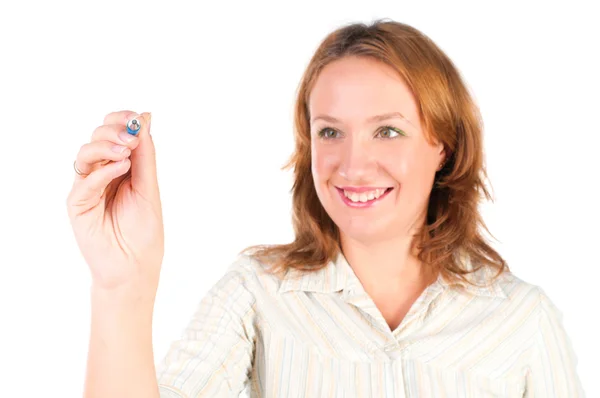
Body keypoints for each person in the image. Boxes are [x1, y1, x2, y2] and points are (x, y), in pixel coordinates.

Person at [66, 19, 585, 397]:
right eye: (331, 132)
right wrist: (121, 286)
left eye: (388, 131)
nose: (354, 165)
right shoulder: (257, 293)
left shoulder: (522, 320)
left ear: (443, 145)